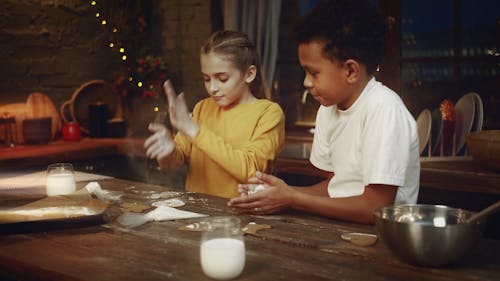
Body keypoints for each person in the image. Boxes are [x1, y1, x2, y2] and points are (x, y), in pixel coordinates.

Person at [228, 0, 420, 224]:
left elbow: (376, 208)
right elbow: (336, 188)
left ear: (350, 70)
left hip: (383, 239)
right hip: (342, 230)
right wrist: (278, 193)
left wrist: (292, 198)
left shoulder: (384, 109)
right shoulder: (328, 109)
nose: (306, 82)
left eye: (314, 73)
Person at [144, 30, 285, 198]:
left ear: (249, 74)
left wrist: (194, 130)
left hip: (243, 215)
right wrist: (168, 152)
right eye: (206, 79)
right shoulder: (202, 108)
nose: (212, 88)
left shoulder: (268, 113)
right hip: (198, 212)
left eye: (222, 78)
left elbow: (252, 172)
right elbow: (172, 164)